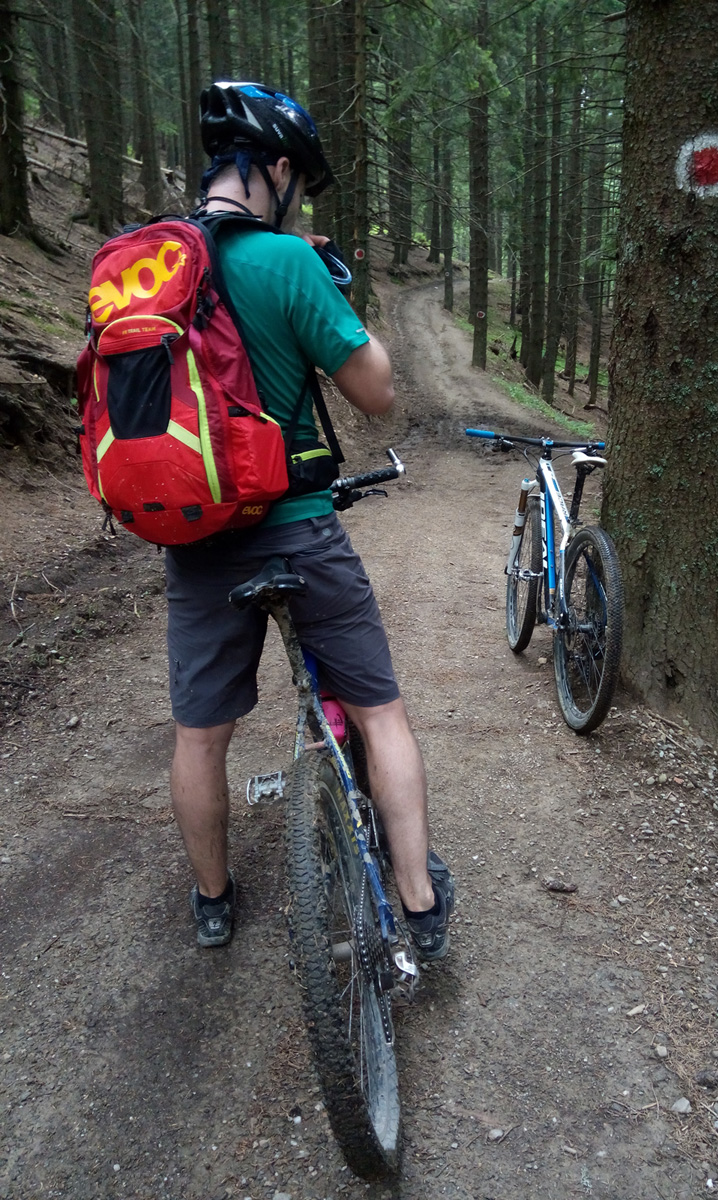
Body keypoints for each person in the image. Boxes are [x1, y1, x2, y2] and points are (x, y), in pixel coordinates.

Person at [167, 81, 453, 958]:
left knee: (200, 735)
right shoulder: (287, 263)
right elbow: (379, 394)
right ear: (279, 169)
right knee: (380, 713)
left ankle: (212, 900)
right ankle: (418, 903)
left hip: (194, 537)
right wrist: (326, 291)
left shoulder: (152, 264)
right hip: (296, 525)